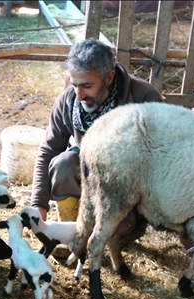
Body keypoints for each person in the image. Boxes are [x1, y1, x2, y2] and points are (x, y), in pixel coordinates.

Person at [31, 39, 164, 232]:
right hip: (87, 177)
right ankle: (71, 232)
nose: (79, 95)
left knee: (120, 230)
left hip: (127, 185)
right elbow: (49, 150)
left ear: (109, 78)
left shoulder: (144, 99)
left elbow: (160, 160)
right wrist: (38, 205)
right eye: (74, 84)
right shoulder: (68, 101)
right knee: (64, 163)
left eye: (86, 85)